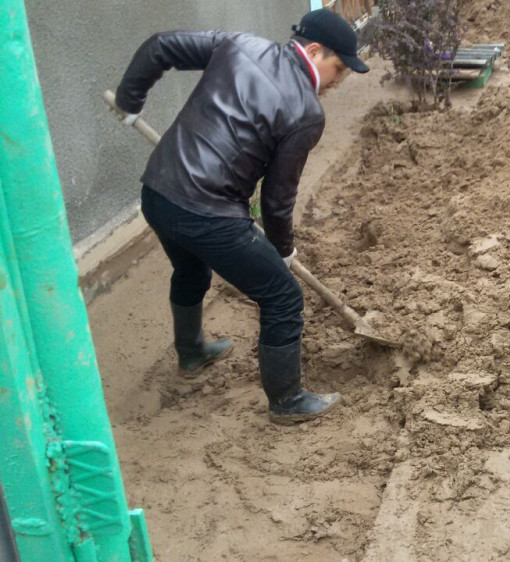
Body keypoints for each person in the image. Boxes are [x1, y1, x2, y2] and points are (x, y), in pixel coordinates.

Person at [113, 9, 369, 425]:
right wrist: (282, 250)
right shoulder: (306, 111)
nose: (338, 81)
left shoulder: (240, 45)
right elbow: (277, 198)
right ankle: (287, 401)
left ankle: (192, 352)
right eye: (339, 68)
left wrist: (130, 100)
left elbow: (160, 46)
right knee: (283, 295)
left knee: (191, 269)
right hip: (207, 210)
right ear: (314, 51)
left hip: (158, 192)